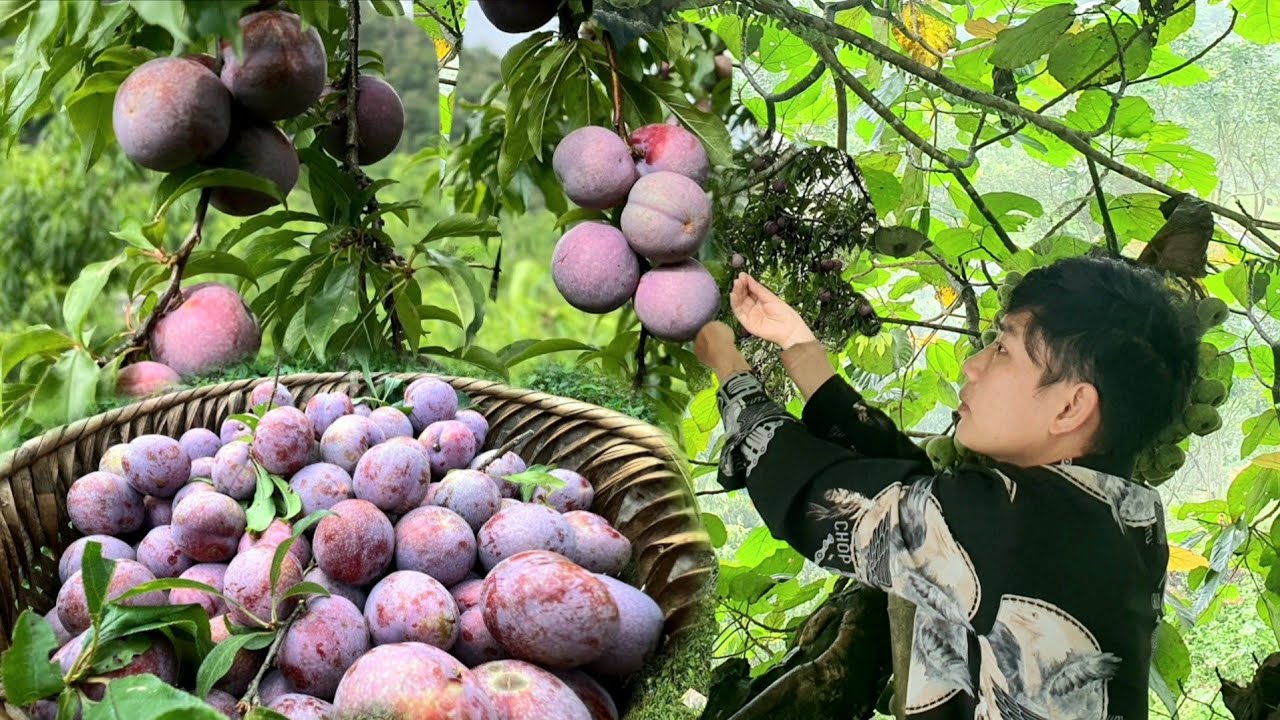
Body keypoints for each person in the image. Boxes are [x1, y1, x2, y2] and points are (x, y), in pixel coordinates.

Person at [691, 256, 1200, 720]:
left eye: (1003, 349)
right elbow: (922, 491)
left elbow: (820, 497)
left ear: (1070, 407)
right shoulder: (1123, 518)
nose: (972, 366)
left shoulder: (1007, 529)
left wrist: (729, 368)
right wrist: (797, 345)